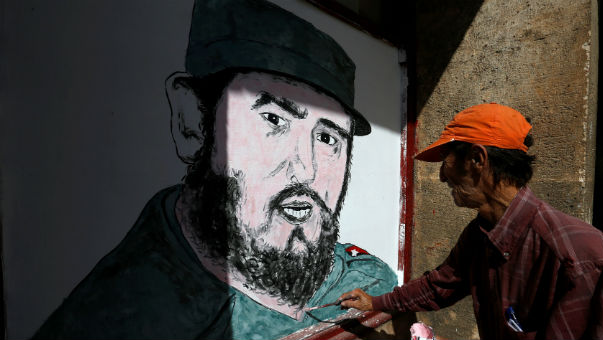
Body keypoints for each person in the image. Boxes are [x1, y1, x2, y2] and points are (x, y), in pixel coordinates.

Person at [32, 0, 396, 339]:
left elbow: (368, 273)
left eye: (329, 137)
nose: (307, 169)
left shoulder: (306, 259)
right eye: (274, 119)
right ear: (191, 121)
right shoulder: (121, 318)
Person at [339, 103, 603, 339]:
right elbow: (440, 285)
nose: (441, 177)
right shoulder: (482, 232)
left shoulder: (581, 255)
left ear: (476, 159)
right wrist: (376, 302)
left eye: (445, 160)